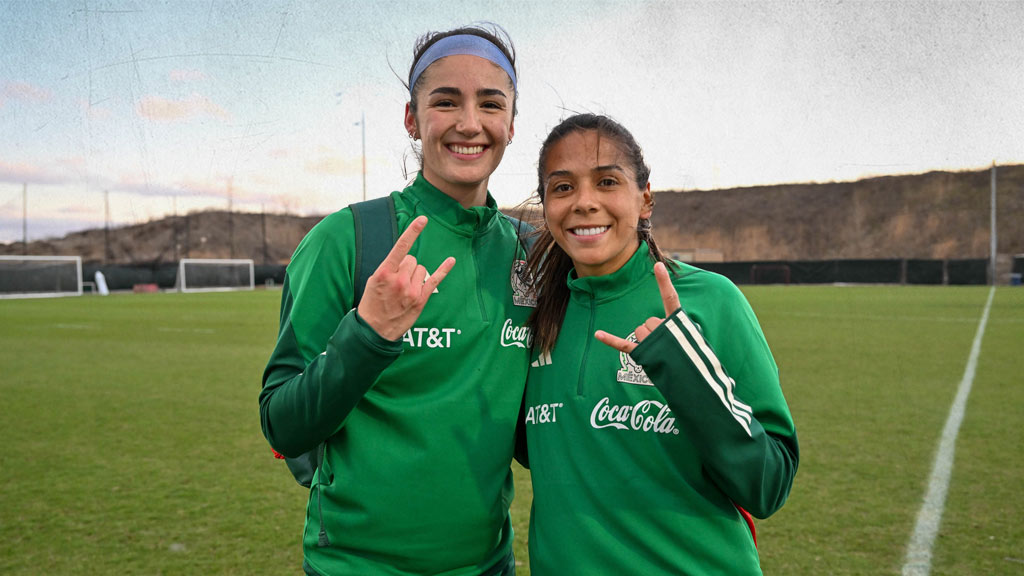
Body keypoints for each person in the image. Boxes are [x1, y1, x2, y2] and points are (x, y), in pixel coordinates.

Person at [260, 24, 534, 576]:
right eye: (445, 101)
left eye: (490, 103)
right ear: (412, 118)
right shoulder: (348, 238)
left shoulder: (532, 255)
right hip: (358, 566)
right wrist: (367, 335)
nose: (469, 123)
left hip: (488, 565)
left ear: (511, 123)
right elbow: (283, 425)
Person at [522, 113, 799, 575]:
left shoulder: (711, 300)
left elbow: (768, 485)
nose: (584, 202)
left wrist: (685, 371)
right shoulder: (538, 320)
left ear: (645, 198)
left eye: (607, 181)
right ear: (546, 205)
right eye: (563, 187)